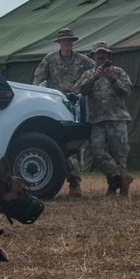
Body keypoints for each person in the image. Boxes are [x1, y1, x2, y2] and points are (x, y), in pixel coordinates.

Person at [33, 28, 94, 197]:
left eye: (69, 40)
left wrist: (87, 96)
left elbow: (95, 78)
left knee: (76, 144)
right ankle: (68, 179)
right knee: (60, 142)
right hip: (57, 107)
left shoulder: (84, 61)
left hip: (78, 107)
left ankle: (75, 182)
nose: (67, 43)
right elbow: (38, 80)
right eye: (64, 40)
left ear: (73, 42)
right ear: (59, 42)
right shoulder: (50, 59)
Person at [73, 41, 134, 197]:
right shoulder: (88, 74)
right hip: (96, 120)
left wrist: (113, 80)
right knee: (97, 151)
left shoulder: (118, 72)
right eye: (98, 53)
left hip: (117, 118)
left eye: (104, 53)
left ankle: (116, 188)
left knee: (119, 153)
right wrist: (94, 77)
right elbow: (79, 91)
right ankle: (122, 177)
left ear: (108, 56)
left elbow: (127, 91)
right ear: (93, 56)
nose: (101, 56)